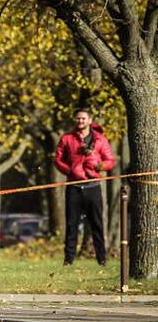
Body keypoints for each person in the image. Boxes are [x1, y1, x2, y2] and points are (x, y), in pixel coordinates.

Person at [54, 107, 115, 266]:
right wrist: (70, 171)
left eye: (83, 118)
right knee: (71, 224)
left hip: (93, 186)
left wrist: (99, 166)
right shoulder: (67, 138)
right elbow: (58, 160)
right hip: (74, 186)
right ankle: (68, 260)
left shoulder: (100, 139)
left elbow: (110, 161)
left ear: (89, 120)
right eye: (78, 118)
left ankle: (102, 259)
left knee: (97, 224)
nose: (80, 121)